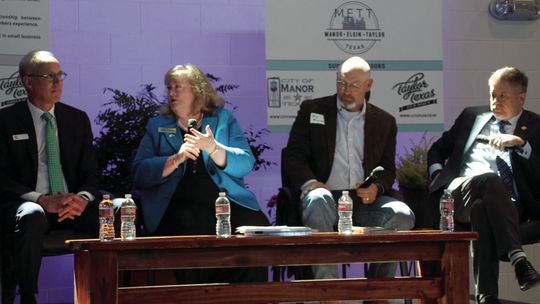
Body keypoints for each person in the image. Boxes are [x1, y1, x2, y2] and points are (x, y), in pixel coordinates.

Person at [282, 56, 415, 303]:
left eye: (353, 85)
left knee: (402, 214)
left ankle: (377, 293)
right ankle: (330, 293)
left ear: (368, 85)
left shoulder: (384, 121)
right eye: (341, 83)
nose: (345, 90)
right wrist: (311, 183)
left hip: (362, 202)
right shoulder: (313, 110)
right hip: (325, 197)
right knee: (318, 198)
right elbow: (293, 155)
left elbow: (387, 169)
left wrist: (376, 187)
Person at [132, 64, 269, 283]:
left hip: (223, 200)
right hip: (177, 202)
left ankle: (244, 295)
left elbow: (245, 163)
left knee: (256, 225)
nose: (171, 93)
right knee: (190, 225)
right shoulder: (157, 125)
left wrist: (213, 147)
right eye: (169, 88)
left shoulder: (223, 120)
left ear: (197, 91)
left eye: (178, 87)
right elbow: (139, 173)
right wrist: (176, 158)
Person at [428, 67, 540, 304]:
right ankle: (518, 257)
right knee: (489, 179)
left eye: (503, 96)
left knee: (482, 208)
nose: (495, 102)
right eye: (492, 95)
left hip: (507, 205)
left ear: (521, 98)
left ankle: (487, 297)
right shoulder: (472, 117)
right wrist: (438, 175)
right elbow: (437, 149)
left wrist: (522, 145)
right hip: (459, 193)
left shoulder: (536, 126)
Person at [0, 50, 101, 304]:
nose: (58, 83)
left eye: (60, 75)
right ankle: (28, 296)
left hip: (72, 205)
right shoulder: (6, 120)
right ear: (28, 81)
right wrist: (42, 200)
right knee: (31, 214)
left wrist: (82, 198)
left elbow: (91, 172)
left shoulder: (76, 119)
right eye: (49, 76)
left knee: (121, 210)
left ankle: (115, 291)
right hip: (30, 204)